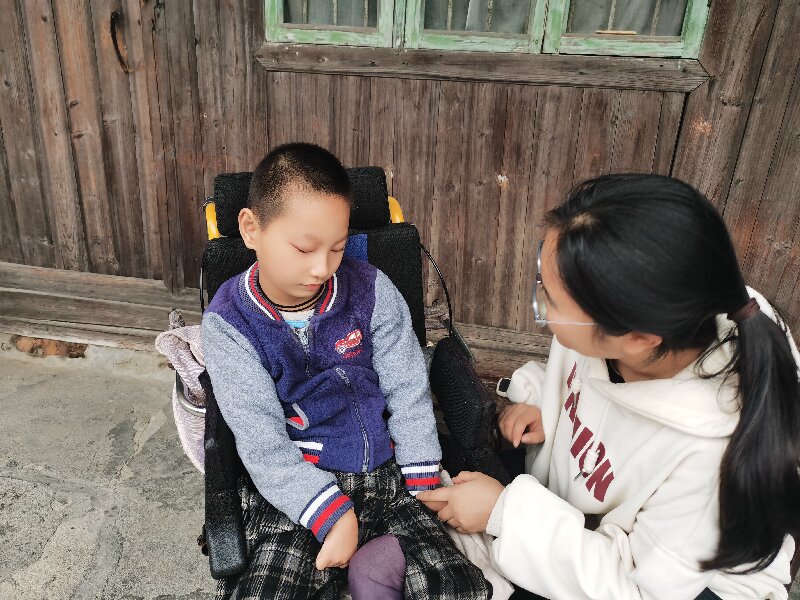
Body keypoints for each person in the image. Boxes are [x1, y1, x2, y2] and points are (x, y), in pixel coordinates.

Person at [418, 174, 800, 599]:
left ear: (636, 338)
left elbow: (633, 587)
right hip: (588, 526)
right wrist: (549, 405)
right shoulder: (658, 313)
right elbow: (595, 393)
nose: (541, 304)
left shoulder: (713, 459)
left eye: (551, 302)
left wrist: (502, 513)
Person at [201, 142, 490, 600]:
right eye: (304, 248)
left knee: (456, 588)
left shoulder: (371, 291)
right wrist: (329, 514)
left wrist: (421, 476)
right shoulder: (229, 324)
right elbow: (261, 442)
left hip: (390, 479)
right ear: (251, 228)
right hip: (298, 491)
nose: (322, 268)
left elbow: (408, 388)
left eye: (337, 248)